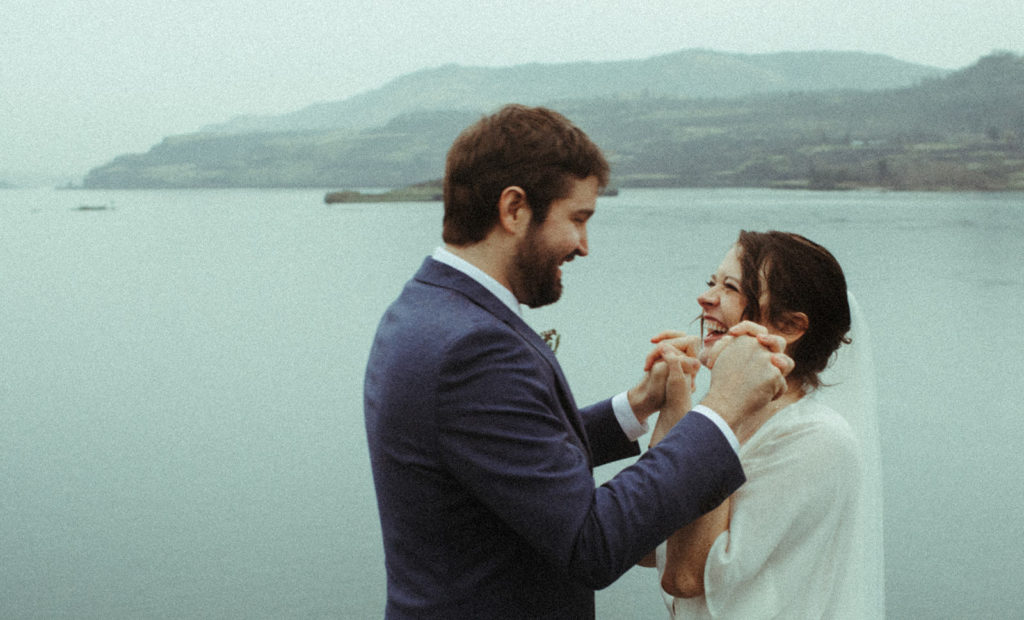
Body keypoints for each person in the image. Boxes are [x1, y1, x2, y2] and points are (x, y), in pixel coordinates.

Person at [362, 104, 794, 619]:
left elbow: (511, 458)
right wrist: (722, 408)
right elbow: (591, 542)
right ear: (515, 209)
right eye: (578, 219)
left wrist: (634, 407)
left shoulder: (425, 308)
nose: (584, 247)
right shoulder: (475, 348)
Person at [646, 231, 884, 618]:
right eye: (712, 282)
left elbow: (686, 576)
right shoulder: (730, 420)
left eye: (731, 287)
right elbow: (644, 539)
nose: (705, 298)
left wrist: (718, 410)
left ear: (789, 327)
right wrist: (676, 401)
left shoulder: (817, 440)